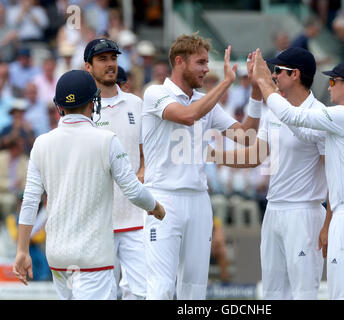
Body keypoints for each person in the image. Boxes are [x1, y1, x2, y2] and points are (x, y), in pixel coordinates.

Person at [12, 70, 165, 300]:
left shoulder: (41, 143)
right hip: (93, 258)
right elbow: (133, 191)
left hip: (59, 257)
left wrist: (22, 250)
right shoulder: (107, 140)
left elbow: (30, 202)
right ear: (94, 103)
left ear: (59, 106)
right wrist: (156, 207)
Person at [252, 51, 344, 300]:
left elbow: (294, 116)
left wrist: (264, 83)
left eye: (333, 82)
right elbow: (302, 131)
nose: (329, 87)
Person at [141, 33, 261, 300]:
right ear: (180, 62)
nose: (207, 69)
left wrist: (255, 92)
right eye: (201, 62)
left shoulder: (205, 100)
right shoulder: (155, 93)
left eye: (207, 63)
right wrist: (227, 83)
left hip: (198, 200)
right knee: (160, 289)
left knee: (194, 292)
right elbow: (187, 116)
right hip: (162, 199)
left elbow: (246, 137)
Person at [210, 47, 328, 299]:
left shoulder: (319, 114)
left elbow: (333, 172)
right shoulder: (275, 110)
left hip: (305, 212)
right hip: (274, 210)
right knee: (273, 293)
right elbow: (255, 155)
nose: (273, 76)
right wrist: (213, 156)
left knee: (304, 293)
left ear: (295, 74)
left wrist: (330, 220)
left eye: (277, 71)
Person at [84, 38, 148, 300]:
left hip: (136, 221)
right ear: (88, 67)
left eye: (113, 58)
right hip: (99, 223)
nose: (110, 64)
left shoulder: (136, 104)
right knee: (103, 295)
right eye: (102, 59)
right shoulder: (82, 110)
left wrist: (142, 174)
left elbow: (146, 154)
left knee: (144, 293)